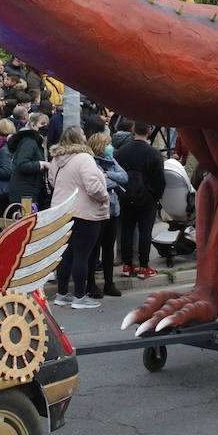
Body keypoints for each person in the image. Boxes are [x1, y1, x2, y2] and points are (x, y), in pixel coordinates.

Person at [48, 127, 109, 309]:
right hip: (84, 212)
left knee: (65, 254)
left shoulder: (57, 159)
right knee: (82, 255)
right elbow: (93, 186)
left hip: (61, 210)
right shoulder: (85, 158)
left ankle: (62, 294)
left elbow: (52, 181)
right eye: (83, 133)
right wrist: (104, 196)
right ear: (78, 138)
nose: (85, 136)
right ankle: (80, 297)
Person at [116, 121, 166, 279]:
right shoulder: (153, 153)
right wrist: (156, 196)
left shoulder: (122, 151)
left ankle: (127, 265)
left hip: (125, 195)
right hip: (147, 197)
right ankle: (144, 266)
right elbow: (160, 179)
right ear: (150, 131)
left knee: (126, 230)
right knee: (145, 232)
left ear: (133, 129)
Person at [85, 130, 126, 298]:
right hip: (98, 211)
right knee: (94, 250)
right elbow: (100, 183)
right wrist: (109, 180)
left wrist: (108, 175)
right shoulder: (91, 163)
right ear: (100, 146)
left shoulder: (110, 160)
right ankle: (91, 284)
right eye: (108, 144)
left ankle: (109, 283)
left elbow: (124, 177)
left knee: (108, 249)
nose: (111, 147)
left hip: (113, 211)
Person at [6, 117, 49, 211]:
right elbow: (22, 164)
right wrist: (42, 164)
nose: (45, 127)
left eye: (46, 124)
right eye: (42, 123)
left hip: (30, 191)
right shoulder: (30, 142)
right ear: (33, 125)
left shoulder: (37, 143)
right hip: (24, 194)